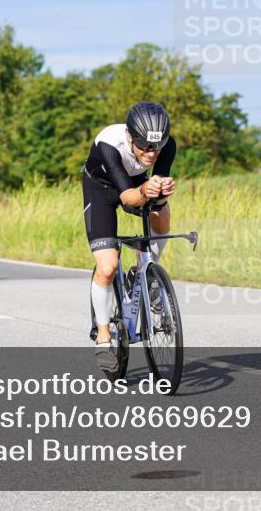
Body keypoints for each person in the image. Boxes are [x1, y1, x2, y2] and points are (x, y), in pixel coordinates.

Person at [82, 102, 176, 372]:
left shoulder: (165, 146)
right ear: (129, 137)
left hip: (136, 184)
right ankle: (102, 335)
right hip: (101, 190)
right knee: (108, 267)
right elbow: (127, 198)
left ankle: (148, 272)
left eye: (157, 147)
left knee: (163, 212)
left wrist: (162, 189)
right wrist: (148, 190)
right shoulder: (108, 145)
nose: (152, 153)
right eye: (145, 146)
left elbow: (155, 188)